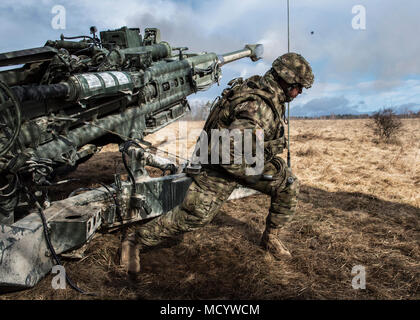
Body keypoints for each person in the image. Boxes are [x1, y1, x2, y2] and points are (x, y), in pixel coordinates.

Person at [119, 52, 314, 273]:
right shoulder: (257, 107)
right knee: (196, 215)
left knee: (287, 184)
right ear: (285, 80)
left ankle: (271, 238)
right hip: (218, 165)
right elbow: (226, 154)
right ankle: (135, 240)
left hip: (246, 160)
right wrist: (254, 174)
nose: (299, 93)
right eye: (298, 86)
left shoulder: (267, 92)